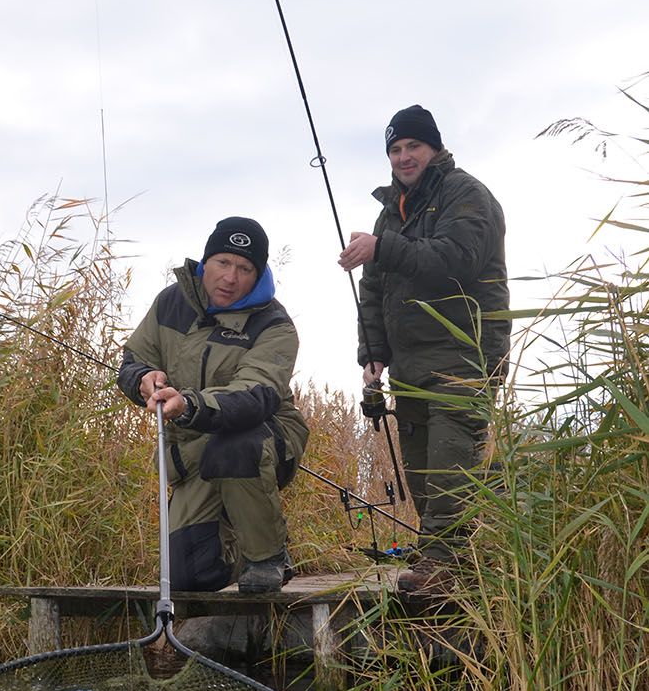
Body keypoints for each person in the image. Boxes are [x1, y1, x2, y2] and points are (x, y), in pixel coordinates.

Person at [338, 105, 510, 595]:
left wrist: (382, 247)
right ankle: (465, 555)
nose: (404, 156)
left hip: (465, 352)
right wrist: (372, 352)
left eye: (413, 145)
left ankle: (445, 565)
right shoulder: (391, 211)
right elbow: (373, 289)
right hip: (410, 361)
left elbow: (456, 260)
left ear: (434, 147)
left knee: (453, 457)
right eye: (395, 149)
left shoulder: (467, 195)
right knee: (420, 465)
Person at [118, 216, 309, 594]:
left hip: (265, 437)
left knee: (235, 444)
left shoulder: (274, 324)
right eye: (223, 263)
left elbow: (254, 396)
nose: (230, 278)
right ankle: (237, 538)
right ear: (206, 262)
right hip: (193, 451)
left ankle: (268, 557)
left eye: (245, 268)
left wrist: (187, 404)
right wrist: (142, 377)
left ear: (258, 275)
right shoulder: (170, 303)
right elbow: (131, 360)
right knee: (191, 577)